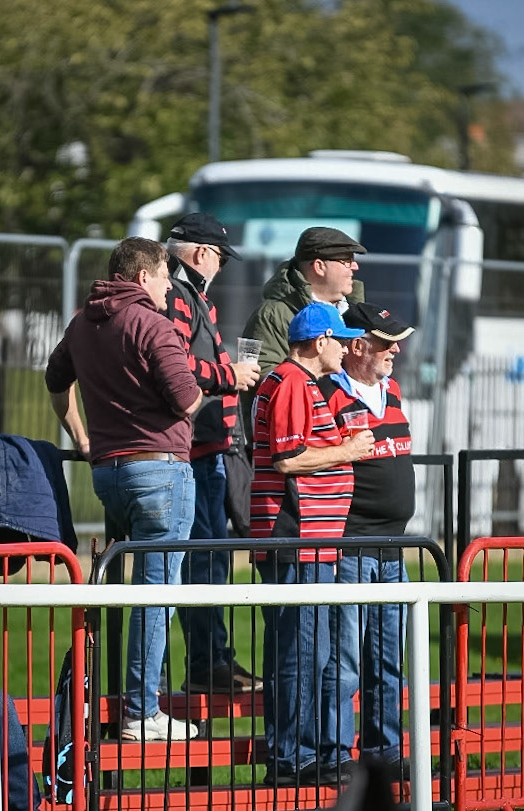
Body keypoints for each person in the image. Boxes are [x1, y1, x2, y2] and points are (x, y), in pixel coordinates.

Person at [45, 236, 203, 741]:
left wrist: (83, 437)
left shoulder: (83, 322)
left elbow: (54, 380)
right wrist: (206, 387)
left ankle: (124, 704)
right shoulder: (153, 324)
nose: (168, 286)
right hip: (159, 470)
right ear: (142, 278)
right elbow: (185, 401)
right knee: (156, 594)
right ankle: (141, 712)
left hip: (108, 473)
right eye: (163, 275)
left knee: (134, 592)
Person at [251, 301, 375, 786]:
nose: (346, 349)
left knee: (310, 650)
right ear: (320, 341)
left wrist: (342, 442)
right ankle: (291, 760)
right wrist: (346, 450)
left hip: (311, 542)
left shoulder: (300, 384)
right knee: (300, 653)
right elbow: (288, 459)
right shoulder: (291, 382)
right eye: (340, 340)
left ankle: (301, 754)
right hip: (296, 539)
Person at [164, 213, 262, 695]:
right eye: (220, 257)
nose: (221, 266)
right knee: (204, 563)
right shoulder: (179, 297)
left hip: (208, 449)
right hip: (197, 452)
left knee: (212, 560)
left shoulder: (188, 295)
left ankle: (215, 659)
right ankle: (206, 664)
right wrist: (231, 376)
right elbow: (175, 363)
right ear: (202, 253)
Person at [317, 302, 415, 778]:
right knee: (346, 660)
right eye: (385, 342)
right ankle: (336, 755)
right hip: (352, 545)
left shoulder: (392, 389)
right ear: (357, 346)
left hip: (393, 546)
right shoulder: (327, 392)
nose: (394, 349)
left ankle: (386, 754)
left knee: (388, 659)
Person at [241, 226, 366, 442]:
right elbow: (257, 378)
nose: (354, 267)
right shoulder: (271, 314)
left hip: (346, 444)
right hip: (295, 447)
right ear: (319, 266)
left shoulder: (355, 312)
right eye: (346, 260)